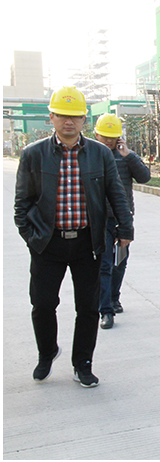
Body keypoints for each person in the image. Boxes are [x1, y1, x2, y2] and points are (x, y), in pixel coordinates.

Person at [14, 85, 134, 388]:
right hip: (47, 243)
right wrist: (32, 237)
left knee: (88, 308)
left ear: (84, 120)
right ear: (51, 117)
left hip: (87, 243)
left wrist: (125, 229)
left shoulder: (99, 154)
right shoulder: (33, 154)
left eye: (75, 116)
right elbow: (22, 204)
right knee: (42, 304)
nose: (69, 122)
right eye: (62, 116)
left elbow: (116, 194)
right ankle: (47, 353)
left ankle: (83, 363)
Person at [93, 114, 151, 329]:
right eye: (105, 137)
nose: (108, 141)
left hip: (123, 218)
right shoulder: (91, 155)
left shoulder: (124, 156)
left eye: (113, 137)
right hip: (101, 220)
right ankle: (105, 309)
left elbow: (144, 177)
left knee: (120, 262)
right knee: (105, 264)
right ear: (96, 135)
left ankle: (114, 297)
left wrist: (128, 155)